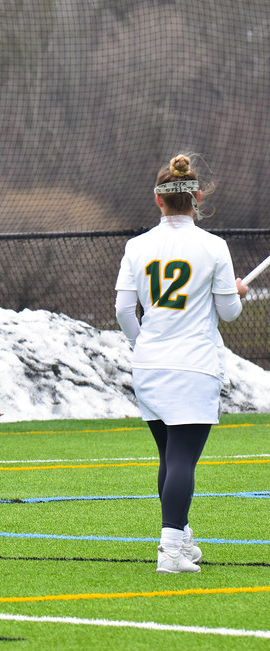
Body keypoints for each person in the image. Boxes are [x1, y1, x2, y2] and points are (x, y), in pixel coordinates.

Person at [115, 153, 248, 573]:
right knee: (181, 461)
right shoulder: (213, 247)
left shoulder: (137, 246)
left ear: (158, 199)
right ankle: (170, 550)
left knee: (169, 458)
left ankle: (182, 538)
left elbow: (123, 311)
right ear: (197, 197)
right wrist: (236, 292)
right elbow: (228, 313)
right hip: (193, 365)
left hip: (150, 367)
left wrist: (146, 345)